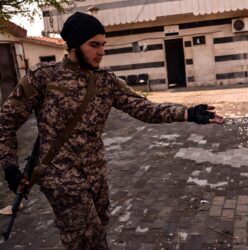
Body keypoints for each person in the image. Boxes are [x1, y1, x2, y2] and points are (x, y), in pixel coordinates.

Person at [0, 12, 224, 249]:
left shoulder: (105, 81)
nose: (101, 51)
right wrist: (9, 166)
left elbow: (143, 108)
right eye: (94, 45)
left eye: (103, 45)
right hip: (60, 177)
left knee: (98, 229)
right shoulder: (42, 77)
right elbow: (6, 121)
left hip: (96, 173)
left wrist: (187, 113)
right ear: (75, 45)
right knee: (87, 238)